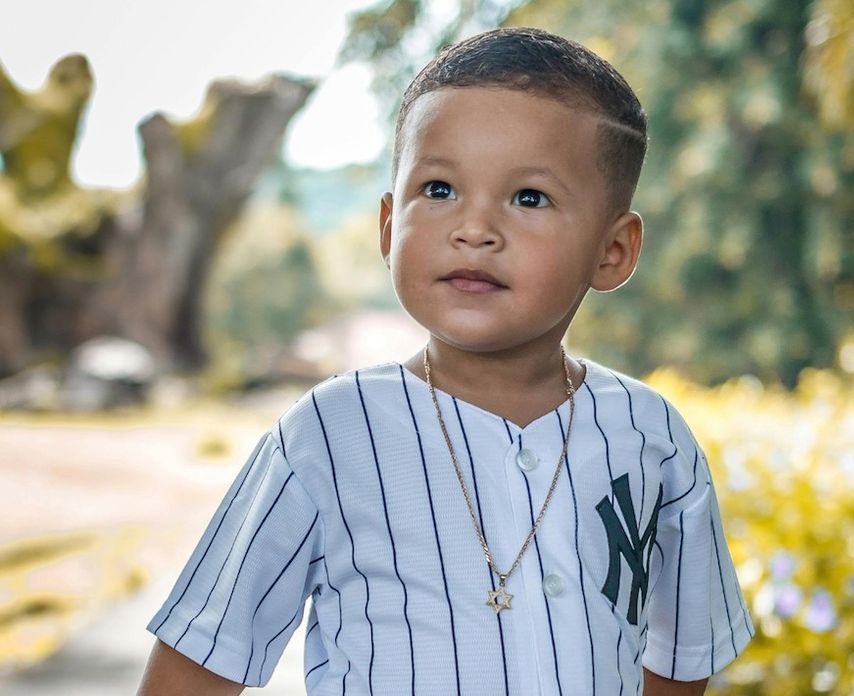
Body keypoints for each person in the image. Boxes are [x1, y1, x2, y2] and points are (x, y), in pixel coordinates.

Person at [137, 26, 754, 696]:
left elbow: (683, 661)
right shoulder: (329, 434)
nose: (473, 228)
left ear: (614, 251)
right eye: (437, 189)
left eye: (528, 198)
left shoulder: (653, 439)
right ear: (386, 224)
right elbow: (197, 663)